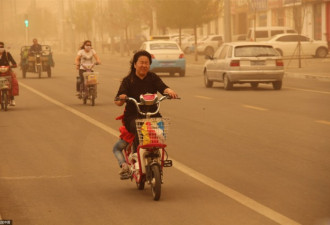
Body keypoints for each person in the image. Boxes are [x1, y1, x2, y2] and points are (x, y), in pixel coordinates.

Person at [114, 50, 178, 159]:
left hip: (152, 113)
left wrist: (170, 91)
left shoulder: (153, 77)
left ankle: (158, 156)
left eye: (147, 63)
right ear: (135, 64)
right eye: (141, 62)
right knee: (139, 129)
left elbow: (163, 87)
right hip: (134, 116)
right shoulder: (128, 80)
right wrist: (122, 97)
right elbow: (118, 100)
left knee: (160, 129)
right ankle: (136, 153)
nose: (144, 65)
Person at [113, 114, 134, 179]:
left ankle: (124, 165)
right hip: (142, 136)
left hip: (129, 137)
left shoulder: (130, 107)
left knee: (116, 149)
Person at [0, 42, 19, 106]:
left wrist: (14, 65)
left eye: (2, 47)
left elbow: (13, 62)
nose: (0, 48)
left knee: (13, 82)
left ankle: (12, 99)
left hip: (7, 71)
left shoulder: (7, 54)